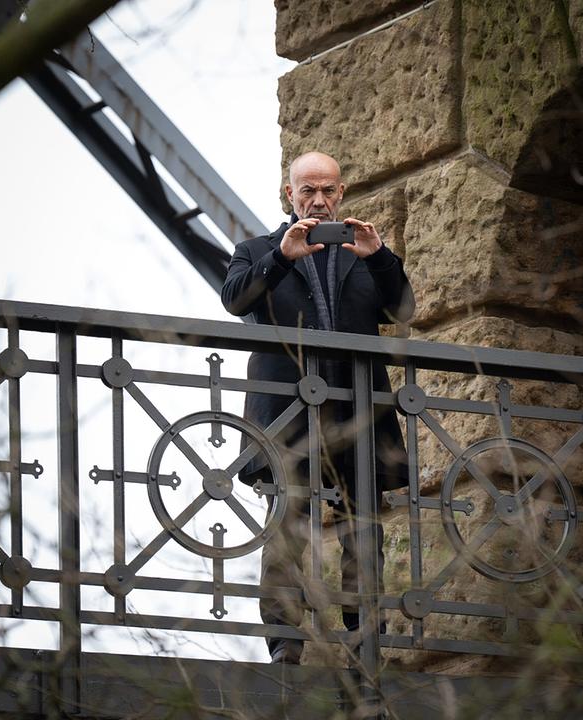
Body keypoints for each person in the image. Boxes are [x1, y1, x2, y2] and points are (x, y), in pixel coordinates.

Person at [220, 151, 415, 664]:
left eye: (328, 190)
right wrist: (282, 257)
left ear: (342, 192)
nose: (319, 199)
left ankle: (364, 637)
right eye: (308, 190)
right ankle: (285, 641)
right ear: (290, 194)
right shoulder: (258, 249)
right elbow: (235, 301)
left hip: (357, 406)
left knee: (363, 524)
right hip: (289, 412)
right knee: (288, 520)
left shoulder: (364, 251)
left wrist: (378, 256)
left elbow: (404, 311)